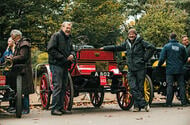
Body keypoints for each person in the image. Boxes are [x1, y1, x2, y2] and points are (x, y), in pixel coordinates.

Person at [101, 28, 155, 112]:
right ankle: (144, 104)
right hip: (131, 68)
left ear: (136, 35)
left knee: (140, 87)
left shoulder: (141, 42)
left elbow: (151, 48)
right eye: (130, 34)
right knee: (132, 87)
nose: (131, 35)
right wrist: (105, 48)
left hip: (140, 68)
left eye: (133, 34)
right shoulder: (127, 43)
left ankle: (137, 107)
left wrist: (144, 59)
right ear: (128, 35)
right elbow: (117, 47)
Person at [47, 21, 74, 115]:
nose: (68, 29)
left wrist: (71, 55)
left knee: (64, 87)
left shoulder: (69, 38)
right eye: (67, 27)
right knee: (58, 86)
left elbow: (72, 50)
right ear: (62, 27)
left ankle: (61, 108)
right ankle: (54, 109)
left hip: (65, 65)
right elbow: (51, 49)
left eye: (70, 28)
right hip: (56, 64)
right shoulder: (56, 36)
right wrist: (63, 58)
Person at [7, 29, 34, 114]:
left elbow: (23, 56)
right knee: (21, 90)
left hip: (24, 70)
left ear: (17, 36)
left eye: (13, 37)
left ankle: (26, 109)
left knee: (24, 91)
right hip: (21, 69)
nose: (12, 39)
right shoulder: (21, 43)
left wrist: (12, 58)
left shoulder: (24, 44)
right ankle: (22, 108)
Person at [158, 33, 187, 107]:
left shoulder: (166, 46)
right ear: (176, 38)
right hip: (180, 69)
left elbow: (162, 58)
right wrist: (181, 64)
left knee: (169, 86)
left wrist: (159, 65)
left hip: (170, 70)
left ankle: (169, 103)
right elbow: (185, 58)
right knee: (181, 85)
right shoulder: (181, 47)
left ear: (170, 38)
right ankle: (184, 102)